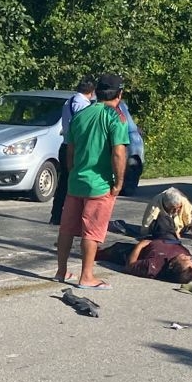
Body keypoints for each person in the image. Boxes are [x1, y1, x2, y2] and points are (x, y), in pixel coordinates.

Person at [55, 73, 129, 289]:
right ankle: (87, 276)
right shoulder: (116, 117)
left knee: (67, 228)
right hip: (99, 184)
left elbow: (70, 148)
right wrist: (118, 182)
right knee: (92, 231)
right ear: (119, 94)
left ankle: (61, 271)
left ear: (96, 92)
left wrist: (72, 172)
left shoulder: (81, 115)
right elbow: (118, 153)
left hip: (76, 180)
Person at [49, 77, 96, 225]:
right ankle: (74, 217)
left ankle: (56, 214)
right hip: (76, 148)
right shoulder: (83, 105)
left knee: (63, 182)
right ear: (91, 91)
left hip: (65, 145)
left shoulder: (68, 102)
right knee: (78, 183)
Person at [100, 238, 192, 284]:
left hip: (148, 244)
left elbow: (129, 266)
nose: (190, 258)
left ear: (171, 264)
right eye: (190, 260)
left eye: (185, 259)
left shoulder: (152, 267)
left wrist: (140, 245)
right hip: (171, 240)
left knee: (113, 250)